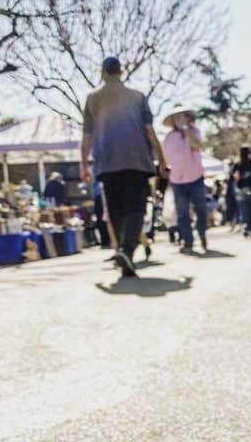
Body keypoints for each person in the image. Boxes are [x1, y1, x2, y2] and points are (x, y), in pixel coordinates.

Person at [80, 55, 168, 277]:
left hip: (106, 162)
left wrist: (83, 164)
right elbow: (149, 130)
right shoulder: (138, 97)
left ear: (103, 72)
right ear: (121, 72)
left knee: (116, 210)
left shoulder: (92, 98)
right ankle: (126, 250)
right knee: (136, 208)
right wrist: (162, 160)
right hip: (136, 160)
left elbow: (87, 136)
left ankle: (122, 253)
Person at [161, 104, 208, 254]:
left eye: (182, 115)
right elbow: (166, 159)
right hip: (177, 180)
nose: (179, 119)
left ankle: (202, 233)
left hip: (196, 177)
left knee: (201, 208)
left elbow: (197, 146)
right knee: (182, 213)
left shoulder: (195, 132)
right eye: (176, 117)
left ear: (188, 117)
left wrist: (187, 131)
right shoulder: (168, 138)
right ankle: (188, 240)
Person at [232, 145, 251, 235]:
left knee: (243, 208)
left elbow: (233, 176)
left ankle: (245, 225)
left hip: (241, 188)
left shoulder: (238, 164)